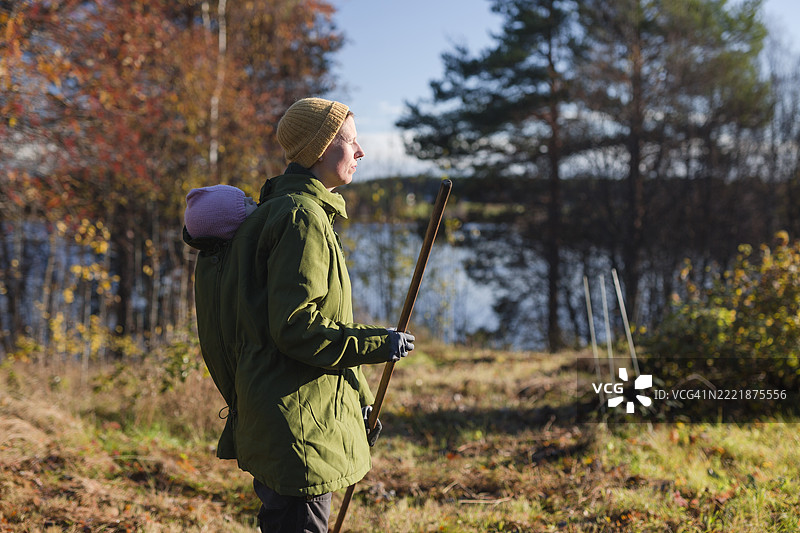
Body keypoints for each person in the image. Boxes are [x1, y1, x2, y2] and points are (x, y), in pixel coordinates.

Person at [183, 97, 415, 533]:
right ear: (321, 148)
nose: (361, 151)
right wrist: (378, 344)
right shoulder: (300, 217)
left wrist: (361, 399)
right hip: (299, 429)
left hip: (291, 420)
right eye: (350, 141)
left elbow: (306, 325)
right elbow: (298, 329)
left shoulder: (287, 212)